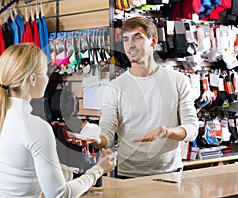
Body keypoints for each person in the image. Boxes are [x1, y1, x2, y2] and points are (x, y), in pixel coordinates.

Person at [0, 43, 116, 198]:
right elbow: (59, 195)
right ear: (33, 79)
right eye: (45, 73)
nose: (47, 78)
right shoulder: (36, 127)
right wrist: (98, 170)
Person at [81, 16, 198, 178]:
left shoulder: (178, 81)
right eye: (126, 39)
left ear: (153, 41)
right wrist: (93, 139)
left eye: (137, 38)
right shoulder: (115, 87)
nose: (131, 45)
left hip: (169, 174)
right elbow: (107, 134)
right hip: (126, 175)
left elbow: (192, 128)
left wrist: (167, 132)